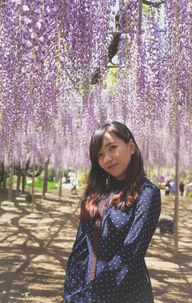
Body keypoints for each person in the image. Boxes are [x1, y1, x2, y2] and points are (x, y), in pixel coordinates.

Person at [64, 122, 161, 303]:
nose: (106, 158)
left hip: (127, 293)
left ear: (131, 146)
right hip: (87, 290)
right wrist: (72, 294)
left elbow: (131, 252)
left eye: (112, 148)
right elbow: (80, 250)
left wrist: (90, 296)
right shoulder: (96, 193)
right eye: (100, 154)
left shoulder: (147, 193)